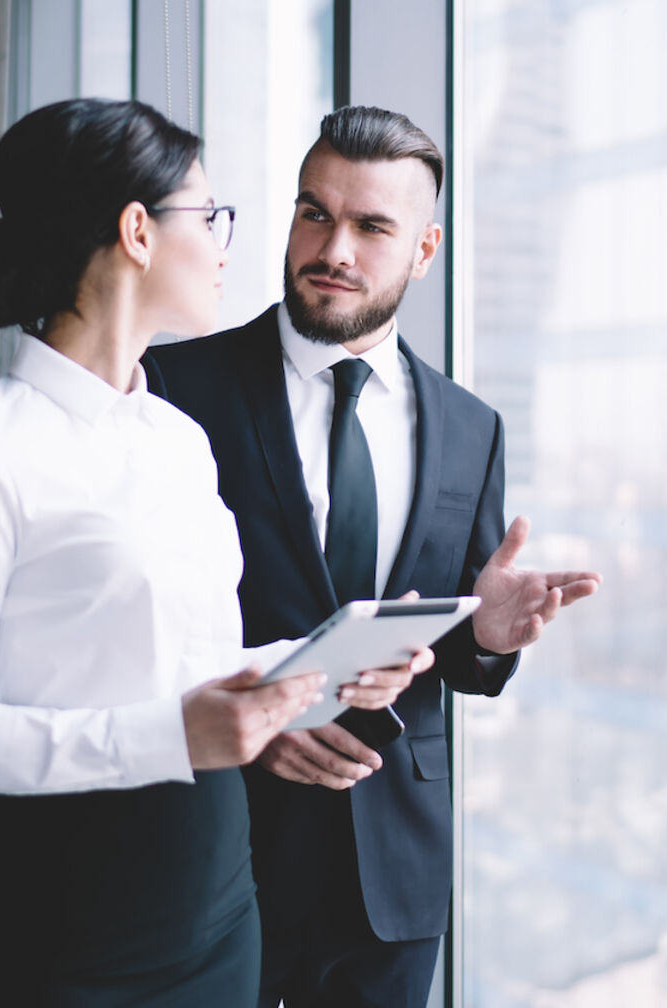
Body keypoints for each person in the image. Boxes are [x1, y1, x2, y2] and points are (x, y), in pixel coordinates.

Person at [0, 98, 425, 1007]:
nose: (223, 244)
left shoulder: (177, 439)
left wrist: (319, 667)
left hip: (215, 904)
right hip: (66, 921)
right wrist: (171, 734)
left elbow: (187, 667)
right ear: (137, 230)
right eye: (208, 216)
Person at [144, 106, 602, 1008]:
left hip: (392, 872)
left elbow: (456, 658)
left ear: (424, 251)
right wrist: (252, 716)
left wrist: (492, 633)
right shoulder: (175, 389)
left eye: (371, 226)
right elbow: (134, 623)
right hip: (219, 848)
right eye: (315, 213)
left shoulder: (472, 428)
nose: (334, 248)